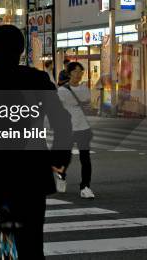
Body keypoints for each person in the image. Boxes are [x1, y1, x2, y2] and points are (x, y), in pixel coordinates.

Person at [0, 25, 73, 259]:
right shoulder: (39, 79)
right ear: (21, 51)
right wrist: (60, 156)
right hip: (31, 170)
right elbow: (62, 122)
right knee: (32, 240)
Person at [57, 62, 95, 199]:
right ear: (69, 73)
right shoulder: (62, 91)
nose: (78, 74)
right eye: (75, 71)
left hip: (83, 127)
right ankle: (61, 176)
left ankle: (85, 187)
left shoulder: (85, 89)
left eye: (81, 72)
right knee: (64, 157)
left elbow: (89, 106)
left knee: (85, 158)